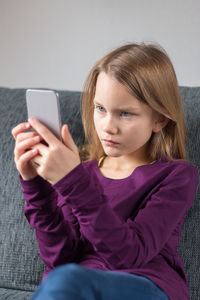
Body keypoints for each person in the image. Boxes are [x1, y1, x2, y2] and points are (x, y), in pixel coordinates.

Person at [12, 43, 198, 300]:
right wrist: (35, 185)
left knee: (66, 280)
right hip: (77, 284)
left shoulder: (177, 176)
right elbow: (60, 258)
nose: (108, 126)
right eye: (100, 109)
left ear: (159, 119)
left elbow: (127, 256)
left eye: (125, 114)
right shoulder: (81, 174)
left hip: (146, 284)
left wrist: (71, 182)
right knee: (63, 277)